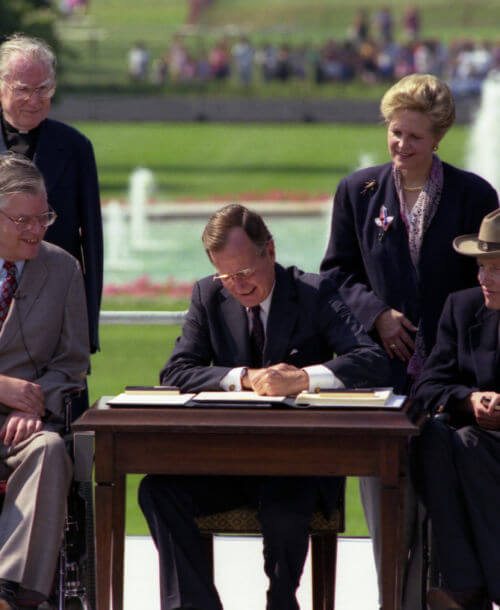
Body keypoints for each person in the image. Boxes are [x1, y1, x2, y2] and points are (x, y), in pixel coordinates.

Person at [139, 203, 390, 610]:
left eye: (244, 273)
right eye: (227, 275)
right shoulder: (208, 294)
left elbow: (370, 361)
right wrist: (242, 377)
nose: (236, 286)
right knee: (157, 490)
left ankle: (281, 600)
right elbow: (176, 372)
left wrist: (303, 377)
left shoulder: (315, 292)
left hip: (298, 463)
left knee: (284, 500)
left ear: (269, 251)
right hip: (227, 461)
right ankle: (195, 605)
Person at [319, 73, 498, 608]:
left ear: (438, 137)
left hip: (453, 385)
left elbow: (487, 285)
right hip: (383, 378)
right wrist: (377, 315)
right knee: (388, 505)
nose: (401, 146)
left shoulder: (474, 195)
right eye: (395, 133)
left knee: (444, 509)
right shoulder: (359, 191)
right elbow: (336, 275)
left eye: (414, 137)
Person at [0, 155, 89, 609]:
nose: (37, 230)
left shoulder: (63, 269)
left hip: (26, 428)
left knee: (52, 452)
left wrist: (31, 404)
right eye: (23, 220)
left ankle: (11, 593)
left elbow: (72, 366)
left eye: (44, 218)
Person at [411, 208, 500, 610]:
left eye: (496, 269)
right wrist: (469, 399)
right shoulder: (461, 307)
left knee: (465, 444)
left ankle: (467, 589)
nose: (484, 279)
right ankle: (467, 584)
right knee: (433, 437)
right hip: (470, 440)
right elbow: (428, 385)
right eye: (481, 268)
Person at [0, 34, 103, 354]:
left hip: (55, 305)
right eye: (23, 89)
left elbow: (93, 243)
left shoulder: (76, 147)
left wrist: (87, 333)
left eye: (43, 89)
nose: (34, 99)